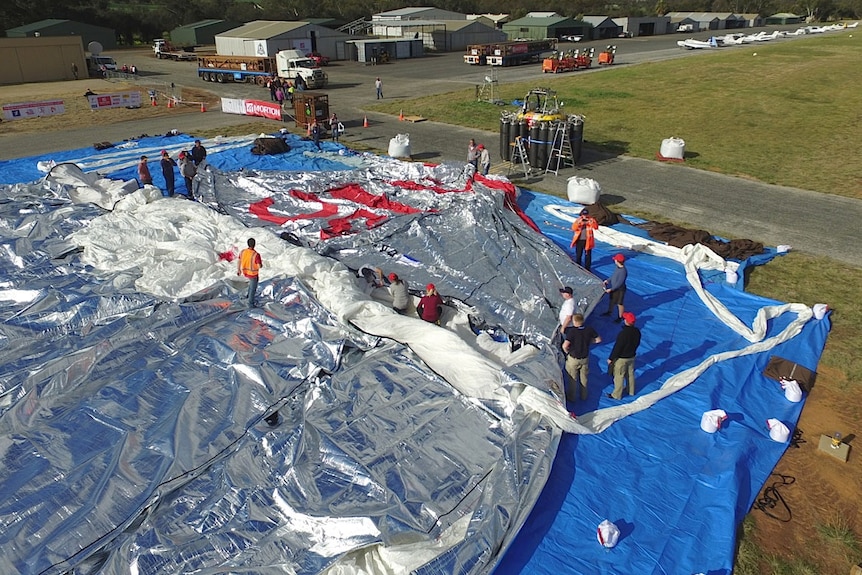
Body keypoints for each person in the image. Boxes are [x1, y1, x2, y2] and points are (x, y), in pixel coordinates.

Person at [562, 314, 602, 402]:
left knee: (572, 378)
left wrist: (567, 352)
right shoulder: (589, 330)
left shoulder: (572, 332)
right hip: (585, 358)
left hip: (574, 359)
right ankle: (584, 395)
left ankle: (571, 397)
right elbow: (598, 340)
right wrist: (589, 341)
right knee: (584, 378)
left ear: (575, 322)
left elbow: (565, 345)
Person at [607, 312, 641, 400]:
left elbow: (617, 347)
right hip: (631, 356)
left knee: (619, 376)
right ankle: (631, 390)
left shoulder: (623, 334)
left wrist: (611, 358)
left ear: (626, 321)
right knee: (630, 374)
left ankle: (617, 395)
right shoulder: (637, 332)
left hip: (621, 358)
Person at [237, 238, 263, 307]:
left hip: (245, 271)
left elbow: (239, 260)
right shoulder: (256, 254)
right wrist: (260, 264)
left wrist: (238, 270)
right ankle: (250, 303)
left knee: (250, 286)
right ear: (254, 244)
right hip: (253, 274)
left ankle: (247, 296)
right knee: (253, 288)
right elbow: (259, 266)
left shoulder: (243, 252)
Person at [602, 253, 628, 322]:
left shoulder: (623, 271)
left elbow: (619, 283)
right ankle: (609, 311)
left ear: (617, 261)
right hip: (614, 288)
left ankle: (620, 317)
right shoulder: (618, 268)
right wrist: (608, 280)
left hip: (620, 290)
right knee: (612, 300)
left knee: (620, 303)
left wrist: (611, 289)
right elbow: (613, 276)